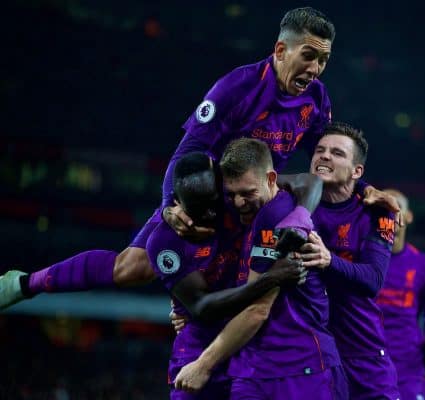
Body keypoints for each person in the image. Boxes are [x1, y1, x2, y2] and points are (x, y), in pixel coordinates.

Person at [0, 7, 399, 310]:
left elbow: (325, 156)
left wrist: (363, 189)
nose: (316, 69)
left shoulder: (316, 98)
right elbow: (188, 153)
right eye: (309, 56)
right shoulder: (235, 89)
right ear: (281, 50)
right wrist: (171, 206)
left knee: (305, 187)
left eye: (323, 60)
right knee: (129, 269)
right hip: (213, 196)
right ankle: (25, 283)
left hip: (262, 196)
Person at [174, 138, 344, 400]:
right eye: (231, 194)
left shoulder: (275, 215)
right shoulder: (252, 213)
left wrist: (202, 365)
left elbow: (257, 308)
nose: (239, 202)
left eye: (248, 193)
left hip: (300, 369)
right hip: (255, 367)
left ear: (271, 179)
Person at [145, 151, 309, 399]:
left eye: (214, 203)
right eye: (198, 209)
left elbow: (309, 182)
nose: (211, 214)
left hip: (249, 354)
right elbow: (201, 307)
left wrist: (300, 220)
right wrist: (270, 279)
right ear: (176, 204)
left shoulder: (238, 202)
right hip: (197, 354)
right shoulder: (163, 243)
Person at [297, 122, 400, 400]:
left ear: (357, 171)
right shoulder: (292, 205)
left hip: (363, 353)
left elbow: (373, 280)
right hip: (310, 357)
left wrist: (328, 260)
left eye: (337, 153)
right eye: (319, 150)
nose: (324, 156)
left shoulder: (378, 211)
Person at [376, 189, 425, 400]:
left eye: (397, 207)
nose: (390, 213)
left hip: (409, 370)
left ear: (409, 216)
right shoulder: (360, 259)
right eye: (383, 208)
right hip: (368, 366)